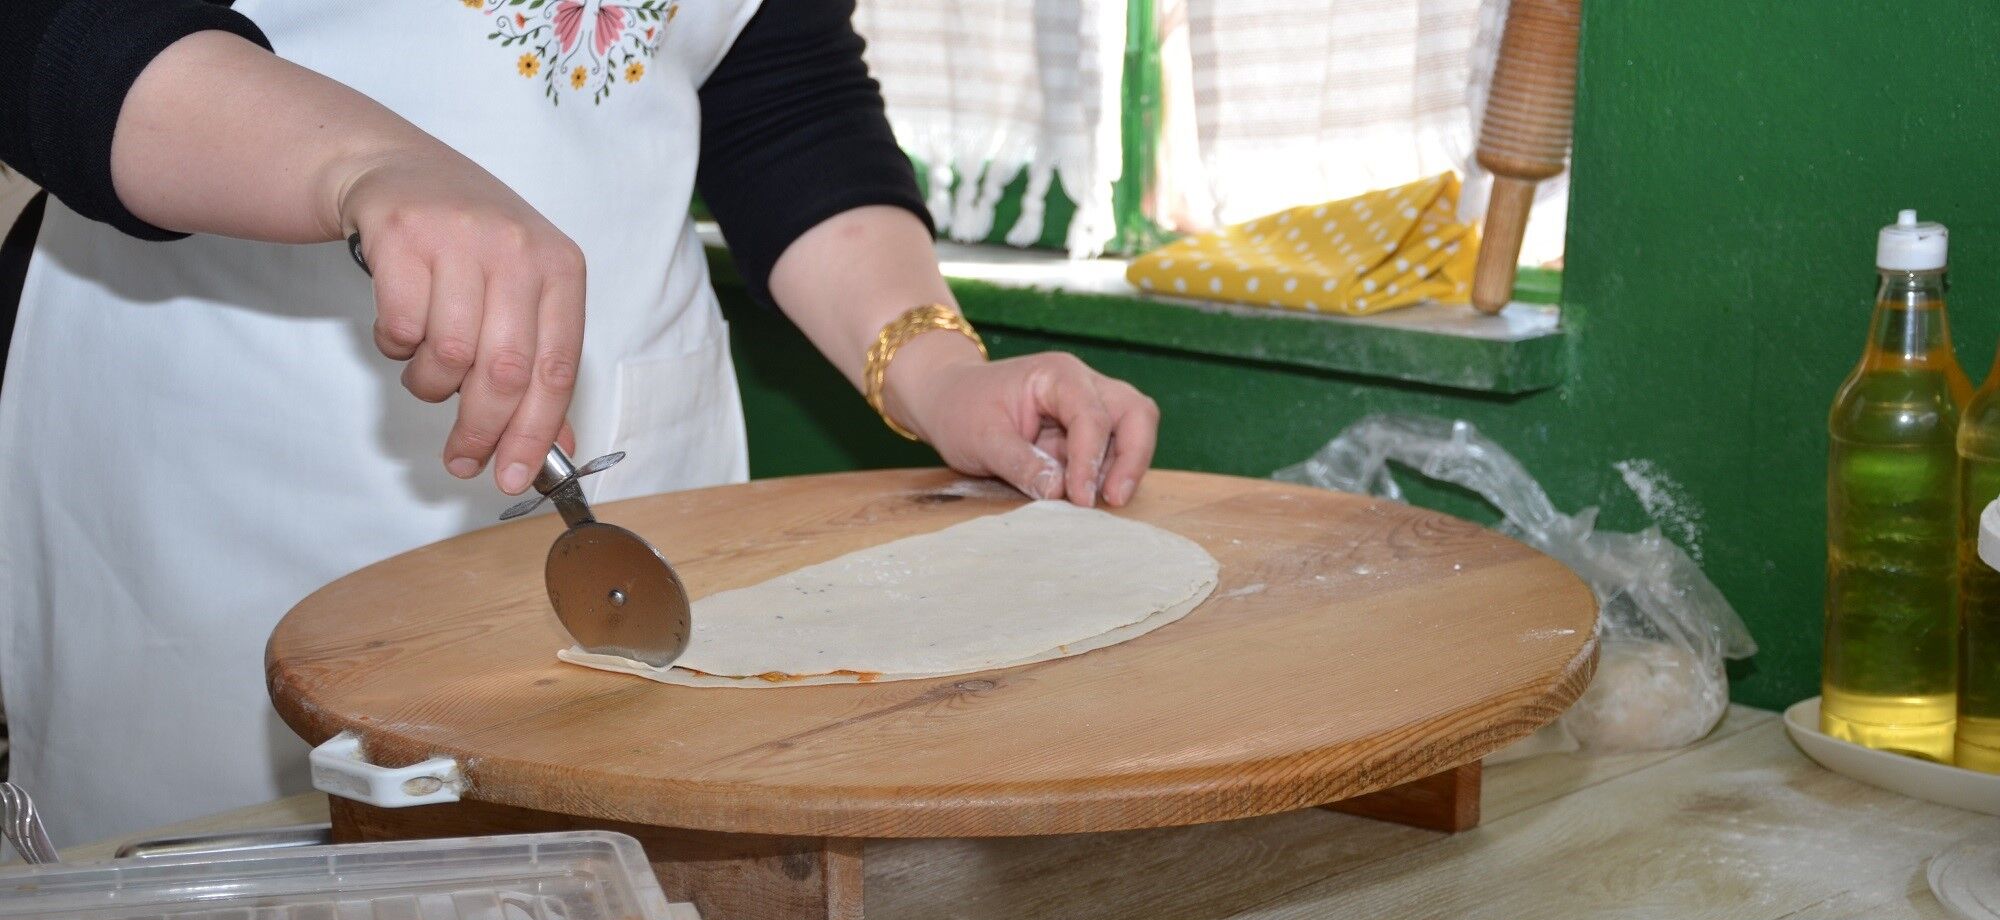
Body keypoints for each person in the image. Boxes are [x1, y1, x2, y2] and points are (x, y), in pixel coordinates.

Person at [0, 0, 1161, 847]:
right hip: (219, 449)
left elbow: (779, 88)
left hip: (645, 456)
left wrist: (938, 371)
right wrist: (368, 160)